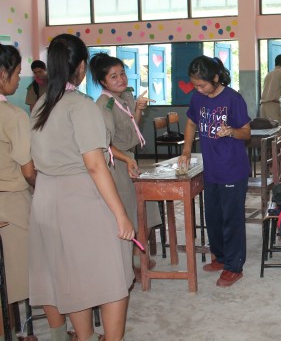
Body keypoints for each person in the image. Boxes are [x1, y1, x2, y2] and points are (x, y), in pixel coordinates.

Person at [29, 34, 135, 341]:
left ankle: (84, 336)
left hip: (46, 199)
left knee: (72, 277)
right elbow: (95, 165)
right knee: (113, 274)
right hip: (81, 200)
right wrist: (121, 215)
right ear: (80, 67)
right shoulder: (81, 105)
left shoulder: (41, 104)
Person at [177, 56, 251, 287]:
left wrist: (231, 131)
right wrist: (186, 151)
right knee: (213, 217)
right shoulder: (198, 98)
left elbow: (246, 132)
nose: (198, 89)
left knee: (232, 219)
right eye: (195, 85)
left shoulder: (233, 99)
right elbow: (191, 122)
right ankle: (220, 257)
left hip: (233, 169)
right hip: (211, 169)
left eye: (202, 85)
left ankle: (234, 266)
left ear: (216, 78)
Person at [89, 52, 162, 279]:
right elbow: (105, 143)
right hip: (116, 163)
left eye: (122, 73)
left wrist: (138, 108)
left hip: (129, 159)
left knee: (144, 209)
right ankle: (127, 266)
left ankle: (137, 256)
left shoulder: (125, 97)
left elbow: (134, 128)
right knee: (125, 213)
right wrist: (127, 159)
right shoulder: (104, 105)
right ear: (103, 82)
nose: (121, 79)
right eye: (113, 76)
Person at [0, 45, 37, 341]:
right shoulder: (13, 116)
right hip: (11, 201)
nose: (17, 79)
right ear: (3, 74)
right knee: (21, 271)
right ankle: (20, 331)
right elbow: (27, 169)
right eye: (17, 73)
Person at [259, 53, 281, 128]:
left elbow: (270, 95)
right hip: (273, 107)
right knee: (279, 131)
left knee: (267, 132)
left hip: (263, 107)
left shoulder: (268, 74)